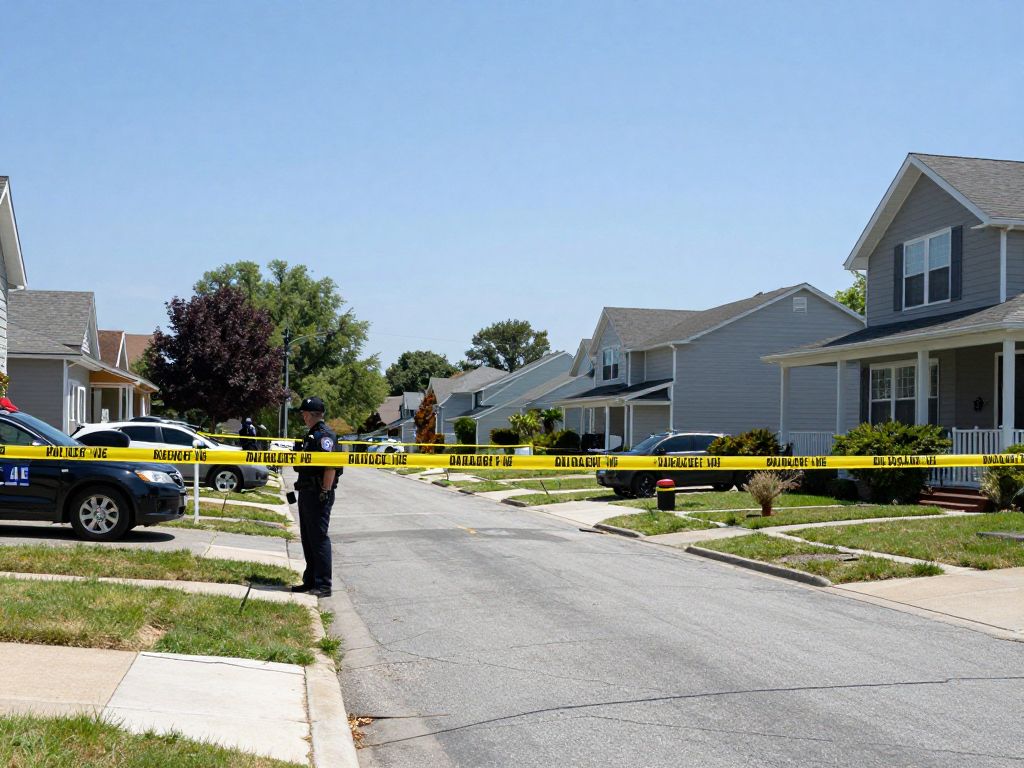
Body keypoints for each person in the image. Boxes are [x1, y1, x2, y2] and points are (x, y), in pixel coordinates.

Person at [292, 396, 339, 597]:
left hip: (318, 493)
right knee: (308, 539)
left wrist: (325, 492)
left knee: (318, 539)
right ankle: (310, 580)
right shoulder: (311, 435)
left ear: (311, 415)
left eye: (304, 413)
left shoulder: (324, 436)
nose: (302, 417)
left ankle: (323, 585)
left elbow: (330, 466)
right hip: (306, 492)